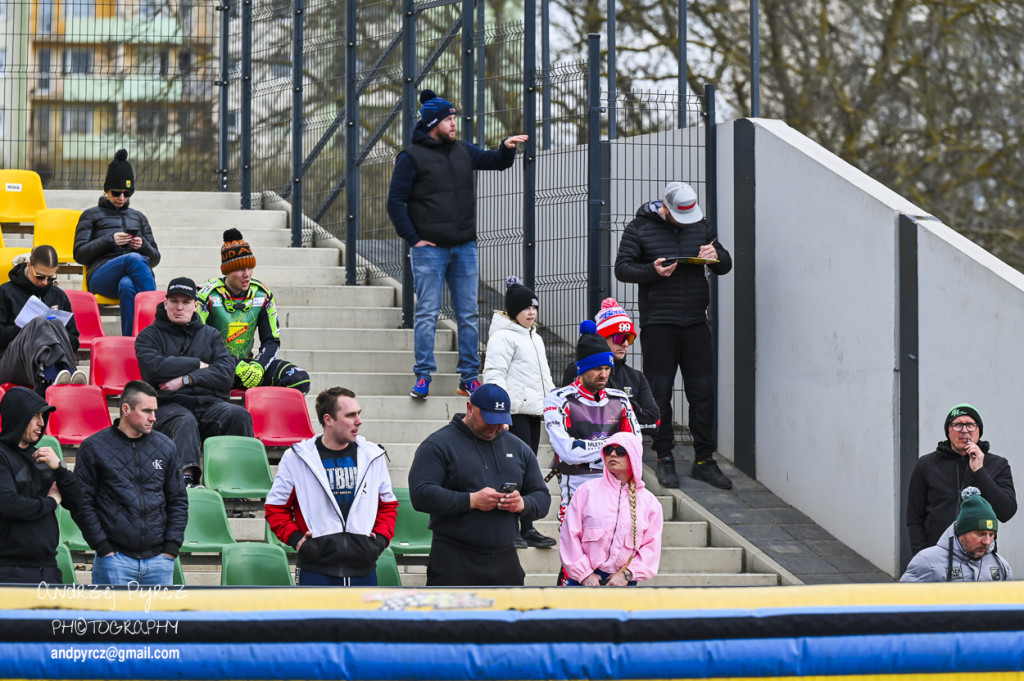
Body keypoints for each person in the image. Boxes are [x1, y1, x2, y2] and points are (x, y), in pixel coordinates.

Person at [387, 89, 528, 400]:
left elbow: (495, 162)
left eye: (454, 118)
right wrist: (414, 239)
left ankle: (469, 378)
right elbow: (395, 202)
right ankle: (423, 375)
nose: (454, 124)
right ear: (433, 124)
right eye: (449, 119)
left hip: (464, 247)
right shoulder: (410, 158)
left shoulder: (463, 149)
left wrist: (505, 148)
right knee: (427, 313)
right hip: (429, 250)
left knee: (468, 314)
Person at [614, 181, 733, 490]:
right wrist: (652, 271)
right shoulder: (639, 228)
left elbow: (725, 265)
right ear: (665, 208)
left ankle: (704, 460)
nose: (686, 223)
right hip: (659, 324)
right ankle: (664, 456)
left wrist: (717, 254)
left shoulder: (701, 225)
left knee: (703, 394)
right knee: (659, 393)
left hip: (696, 323)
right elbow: (622, 268)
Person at [409, 383, 551, 586]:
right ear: (470, 408)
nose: (495, 426)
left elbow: (542, 497)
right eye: (489, 419)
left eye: (501, 421)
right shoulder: (438, 444)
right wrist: (471, 500)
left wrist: (522, 504)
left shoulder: (518, 448)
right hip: (454, 559)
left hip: (505, 558)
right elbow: (421, 494)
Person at [265, 387, 398, 586]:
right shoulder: (297, 457)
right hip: (315, 571)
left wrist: (379, 541)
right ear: (328, 419)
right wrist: (298, 541)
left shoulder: (372, 455)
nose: (359, 421)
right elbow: (275, 508)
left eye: (358, 413)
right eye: (350, 415)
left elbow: (388, 506)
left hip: (364, 571)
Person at [135, 277, 254, 487]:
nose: (179, 307)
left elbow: (226, 374)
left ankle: (237, 482)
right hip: (168, 407)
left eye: (186, 302)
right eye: (174, 301)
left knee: (238, 415)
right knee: (185, 420)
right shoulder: (148, 336)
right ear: (165, 303)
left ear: (196, 306)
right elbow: (155, 369)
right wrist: (197, 364)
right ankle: (187, 480)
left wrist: (187, 379)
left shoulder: (211, 335)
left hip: (210, 406)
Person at [73, 381, 187, 586]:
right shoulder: (93, 448)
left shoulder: (165, 446)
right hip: (114, 561)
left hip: (160, 562)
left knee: (160, 612)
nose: (154, 417)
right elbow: (82, 503)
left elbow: (178, 500)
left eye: (155, 411)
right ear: (126, 409)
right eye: (147, 411)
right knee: (111, 611)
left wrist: (171, 548)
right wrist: (102, 546)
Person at [482, 275, 557, 549]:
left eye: (534, 307)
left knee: (528, 471)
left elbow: (545, 379)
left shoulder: (535, 338)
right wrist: (500, 413)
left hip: (534, 413)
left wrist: (553, 406)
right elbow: (494, 374)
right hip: (514, 415)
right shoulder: (503, 337)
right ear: (514, 311)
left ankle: (527, 526)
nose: (532, 312)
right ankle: (509, 527)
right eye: (526, 308)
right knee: (511, 471)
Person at [544, 321, 640, 524]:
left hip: (616, 491)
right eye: (597, 368)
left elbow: (634, 446)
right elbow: (568, 453)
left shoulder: (620, 399)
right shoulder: (558, 399)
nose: (604, 375)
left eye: (607, 368)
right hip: (577, 495)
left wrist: (585, 447)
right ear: (581, 369)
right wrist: (613, 446)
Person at [198, 229, 310, 394]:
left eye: (250, 267)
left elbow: (271, 341)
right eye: (239, 269)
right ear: (226, 270)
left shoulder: (262, 294)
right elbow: (198, 344)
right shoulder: (207, 295)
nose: (246, 274)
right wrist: (235, 365)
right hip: (216, 367)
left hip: (250, 368)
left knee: (299, 379)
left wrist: (258, 366)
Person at [906, 404, 1016, 555]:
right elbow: (914, 517)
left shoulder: (998, 464)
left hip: (981, 556)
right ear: (948, 431)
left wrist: (979, 471)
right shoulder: (926, 464)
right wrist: (921, 554)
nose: (964, 430)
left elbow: (1006, 512)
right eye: (957, 425)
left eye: (970, 425)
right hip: (936, 554)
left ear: (979, 430)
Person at [73, 149, 160, 336]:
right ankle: (158, 323)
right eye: (116, 193)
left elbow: (155, 258)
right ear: (106, 190)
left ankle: (132, 341)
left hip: (132, 274)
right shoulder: (90, 215)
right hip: (101, 275)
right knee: (133, 259)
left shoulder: (139, 217)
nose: (121, 198)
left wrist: (143, 245)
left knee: (127, 285)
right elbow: (79, 254)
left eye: (127, 193)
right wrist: (109, 240)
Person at [559, 432, 663, 586]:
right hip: (583, 581)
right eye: (608, 450)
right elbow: (569, 536)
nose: (613, 454)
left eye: (620, 450)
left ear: (634, 455)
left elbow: (651, 548)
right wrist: (585, 574)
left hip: (623, 582)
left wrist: (627, 574)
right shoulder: (586, 491)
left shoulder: (650, 503)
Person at [0, 387, 80, 584]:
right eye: (35, 415)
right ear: (18, 416)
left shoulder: (44, 457)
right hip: (10, 569)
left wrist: (60, 468)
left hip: (48, 567)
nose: (42, 423)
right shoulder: (2, 456)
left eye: (43, 416)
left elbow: (77, 500)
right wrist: (51, 502)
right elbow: (10, 504)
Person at [560, 298, 660, 432]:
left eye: (629, 338)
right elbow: (573, 417)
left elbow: (654, 421)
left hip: (627, 445)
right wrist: (630, 413)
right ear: (602, 337)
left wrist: (613, 419)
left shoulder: (636, 376)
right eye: (620, 338)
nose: (625, 344)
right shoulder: (579, 370)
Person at [0, 245, 85, 392]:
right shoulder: (5, 292)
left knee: (54, 322)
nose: (45, 282)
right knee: (39, 322)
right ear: (29, 265)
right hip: (11, 362)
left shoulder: (58, 296)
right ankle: (59, 372)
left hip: (44, 361)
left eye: (51, 278)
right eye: (40, 276)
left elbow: (73, 340)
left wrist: (53, 335)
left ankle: (55, 372)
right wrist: (28, 328)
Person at [901, 487, 1012, 582]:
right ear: (962, 531)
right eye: (980, 534)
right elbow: (902, 599)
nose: (987, 541)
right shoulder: (927, 562)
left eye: (991, 535)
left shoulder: (1001, 566)